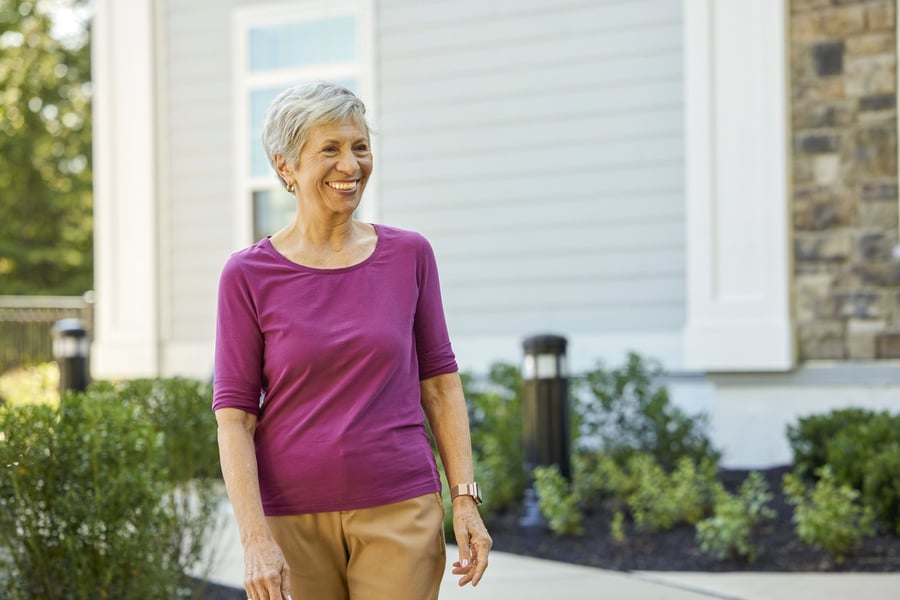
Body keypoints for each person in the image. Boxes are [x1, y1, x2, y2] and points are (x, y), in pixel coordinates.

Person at [212, 81, 492, 600]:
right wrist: (254, 540)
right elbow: (235, 419)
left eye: (360, 147)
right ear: (286, 167)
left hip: (399, 502)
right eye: (330, 150)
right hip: (291, 516)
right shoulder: (247, 275)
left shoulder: (409, 255)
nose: (351, 165)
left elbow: (441, 386)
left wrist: (465, 500)